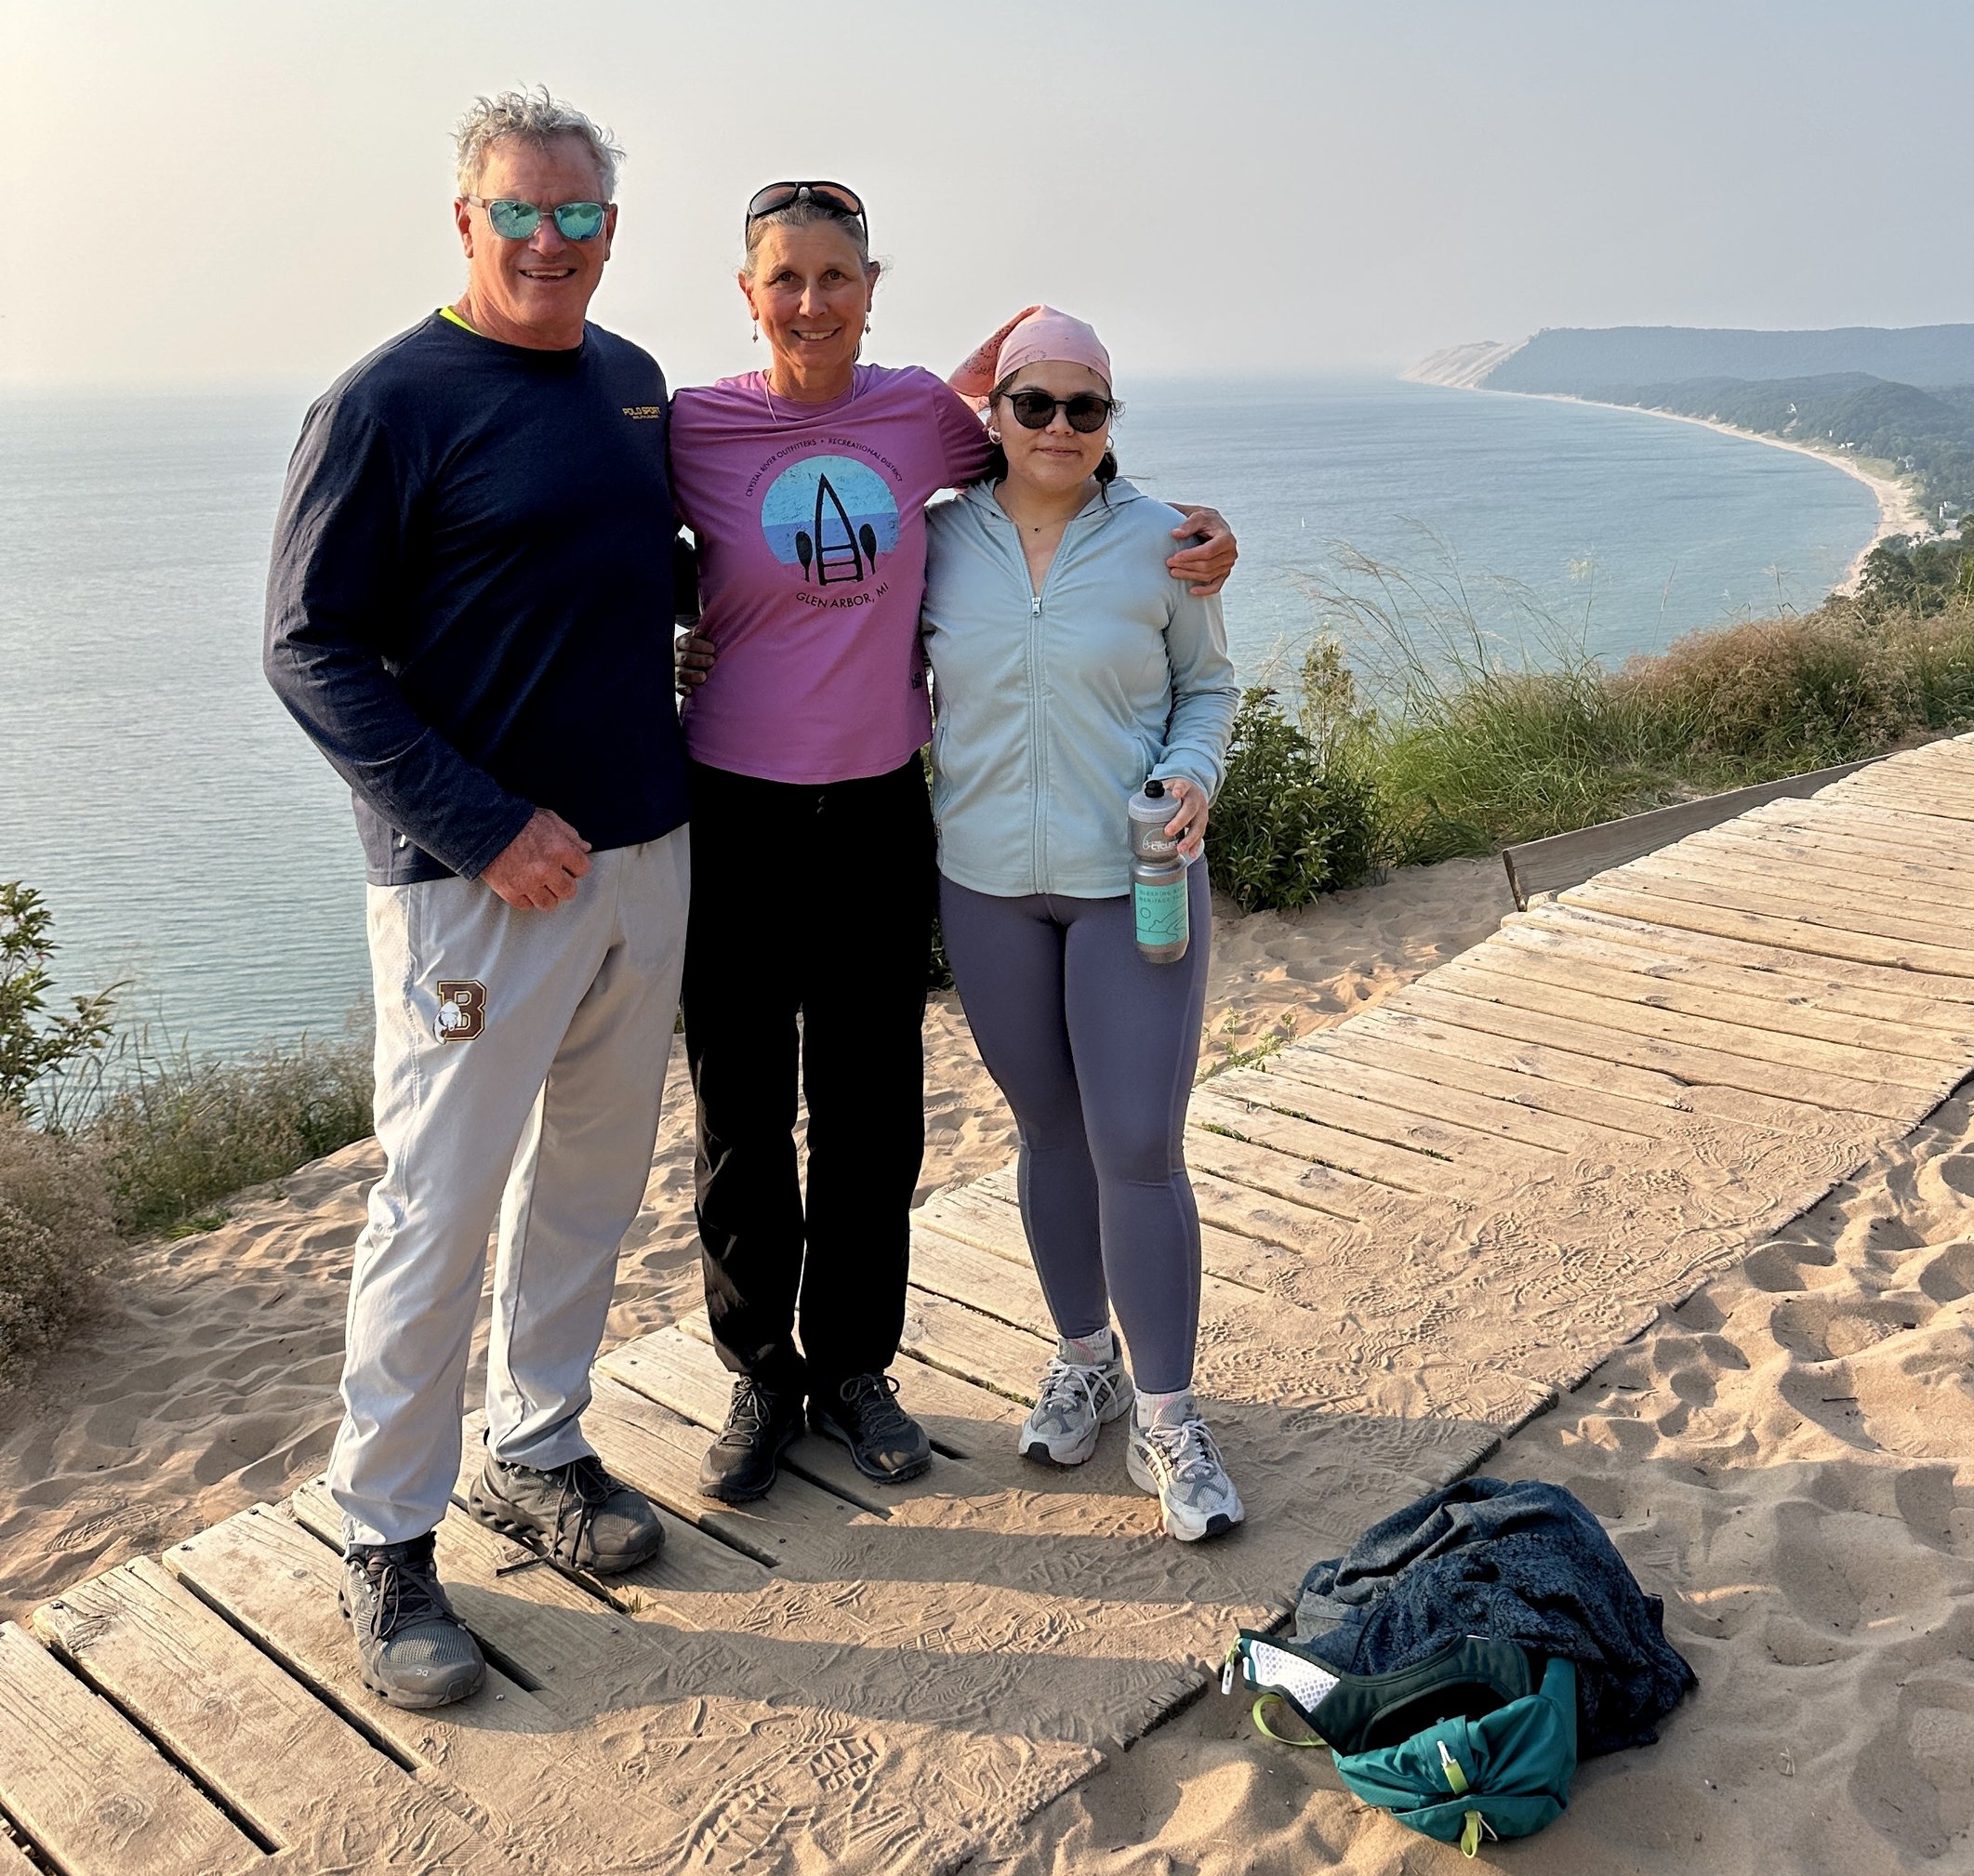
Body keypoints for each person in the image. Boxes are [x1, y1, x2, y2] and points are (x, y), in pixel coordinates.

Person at [670, 187, 1237, 1502]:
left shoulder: (926, 410)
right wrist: (664, 624)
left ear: (872, 287)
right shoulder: (693, 423)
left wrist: (1201, 538)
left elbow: (1051, 424)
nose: (810, 301)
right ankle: (763, 1374)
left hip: (878, 809)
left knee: (872, 1109)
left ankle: (857, 1367)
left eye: (835, 276)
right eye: (784, 278)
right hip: (738, 806)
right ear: (747, 292)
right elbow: (616, 542)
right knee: (744, 1107)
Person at [265, 91, 686, 1711]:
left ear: (609, 231)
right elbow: (310, 650)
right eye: (522, 211)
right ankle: (385, 1536)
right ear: (465, 219)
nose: (551, 242)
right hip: (469, 881)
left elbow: (649, 569)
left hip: (648, 854)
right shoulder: (383, 403)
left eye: (580, 217)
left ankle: (541, 1444)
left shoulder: (631, 384)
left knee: (591, 1175)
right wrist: (487, 819)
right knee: (437, 1203)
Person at [922, 308, 1243, 1541]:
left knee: (1136, 1142)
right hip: (987, 880)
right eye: (1034, 403)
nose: (1060, 428)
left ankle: (1167, 1416)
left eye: (1086, 407)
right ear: (993, 413)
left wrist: (1194, 775)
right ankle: (1083, 1357)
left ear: (1112, 421)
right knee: (1048, 1128)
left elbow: (1209, 685)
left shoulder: (1167, 541)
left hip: (1136, 881)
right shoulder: (940, 542)